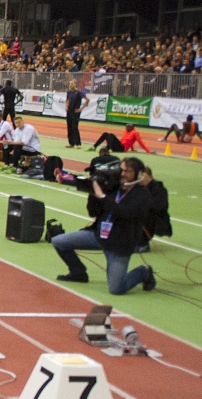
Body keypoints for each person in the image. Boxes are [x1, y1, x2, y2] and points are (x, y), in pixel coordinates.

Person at [51, 157, 157, 295]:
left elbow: (125, 213)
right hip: (99, 236)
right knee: (59, 241)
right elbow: (92, 212)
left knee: (116, 288)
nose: (123, 173)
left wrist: (102, 197)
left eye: (128, 171)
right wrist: (93, 194)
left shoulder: (142, 195)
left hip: (119, 244)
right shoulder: (112, 188)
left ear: (138, 174)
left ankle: (144, 271)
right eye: (122, 170)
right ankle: (78, 272)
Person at [65, 80, 87, 148]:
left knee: (75, 127)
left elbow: (87, 99)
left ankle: (78, 143)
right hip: (69, 111)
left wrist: (81, 108)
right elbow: (67, 99)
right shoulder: (68, 92)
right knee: (69, 127)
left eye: (72, 83)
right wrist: (66, 105)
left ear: (75, 84)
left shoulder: (79, 92)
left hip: (75, 111)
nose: (70, 85)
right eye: (69, 83)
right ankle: (71, 143)